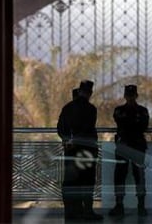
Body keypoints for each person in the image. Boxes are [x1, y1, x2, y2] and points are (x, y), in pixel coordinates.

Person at [57, 80, 103, 221]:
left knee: (71, 181)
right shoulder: (91, 109)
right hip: (87, 150)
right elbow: (87, 128)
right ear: (89, 93)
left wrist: (67, 141)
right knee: (87, 181)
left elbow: (60, 128)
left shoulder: (67, 108)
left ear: (79, 91)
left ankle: (71, 212)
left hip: (71, 150)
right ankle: (87, 211)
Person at [109, 85, 149, 218]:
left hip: (128, 145)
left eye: (132, 95)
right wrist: (133, 123)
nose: (130, 98)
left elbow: (141, 126)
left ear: (135, 96)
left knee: (137, 176)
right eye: (129, 95)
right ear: (125, 96)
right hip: (130, 146)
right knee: (123, 176)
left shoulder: (125, 111)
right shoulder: (135, 111)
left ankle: (139, 205)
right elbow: (133, 125)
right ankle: (122, 205)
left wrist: (129, 124)